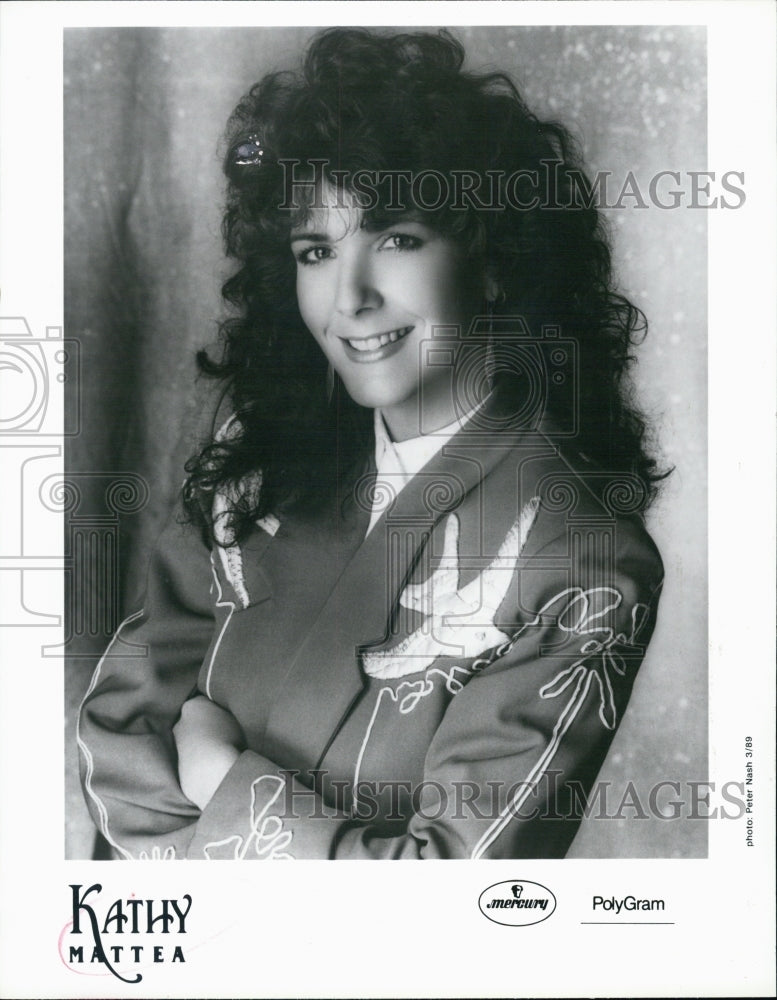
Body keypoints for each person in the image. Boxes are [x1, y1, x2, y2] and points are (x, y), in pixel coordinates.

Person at [78, 27, 666, 860]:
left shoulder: (582, 563)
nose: (347, 297)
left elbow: (453, 901)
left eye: (395, 238)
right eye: (316, 250)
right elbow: (118, 730)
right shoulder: (258, 462)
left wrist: (222, 785)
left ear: (494, 258)